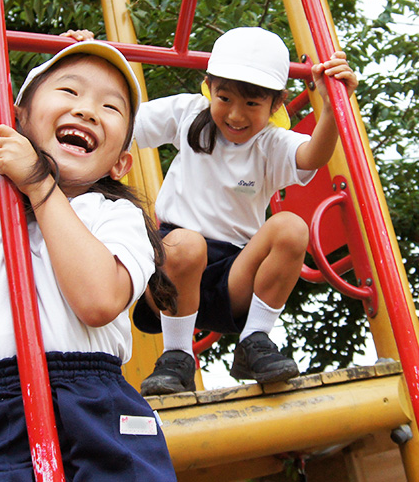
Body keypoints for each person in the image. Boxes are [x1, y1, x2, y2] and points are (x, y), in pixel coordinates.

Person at [0, 0, 177, 479]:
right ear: (18, 116)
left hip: (96, 401)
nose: (87, 110)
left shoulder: (117, 218)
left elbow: (97, 301)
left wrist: (40, 185)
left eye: (110, 107)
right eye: (68, 91)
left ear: (120, 163)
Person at [119, 26, 358, 395]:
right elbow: (125, 124)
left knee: (291, 227)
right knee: (187, 245)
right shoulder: (188, 112)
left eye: (251, 104)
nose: (235, 114)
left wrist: (330, 108)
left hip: (235, 276)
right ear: (208, 87)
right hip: (172, 270)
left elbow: (313, 155)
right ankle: (177, 356)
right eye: (225, 98)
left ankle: (255, 340)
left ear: (275, 105)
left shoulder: (270, 143)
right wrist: (89, 61)